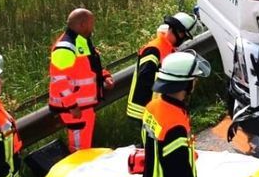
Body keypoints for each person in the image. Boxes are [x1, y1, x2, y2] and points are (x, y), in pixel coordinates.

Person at [48, 8, 113, 153]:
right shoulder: (65, 47)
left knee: (84, 146)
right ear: (82, 24)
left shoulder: (81, 41)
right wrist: (71, 105)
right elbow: (59, 80)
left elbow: (91, 66)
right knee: (79, 149)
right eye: (91, 23)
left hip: (83, 106)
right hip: (74, 108)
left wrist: (105, 76)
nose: (93, 27)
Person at [126, 12, 198, 122]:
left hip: (155, 108)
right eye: (184, 36)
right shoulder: (154, 48)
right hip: (142, 109)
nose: (183, 40)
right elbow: (145, 77)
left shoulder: (169, 49)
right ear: (179, 32)